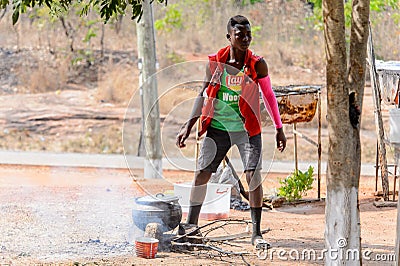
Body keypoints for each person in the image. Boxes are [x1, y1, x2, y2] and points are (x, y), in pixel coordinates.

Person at [176, 15, 286, 245]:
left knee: (252, 176)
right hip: (217, 127)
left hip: (247, 129)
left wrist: (278, 127)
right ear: (229, 37)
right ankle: (191, 226)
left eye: (248, 34)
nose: (246, 39)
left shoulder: (257, 64)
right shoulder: (215, 63)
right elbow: (203, 93)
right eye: (240, 35)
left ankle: (256, 234)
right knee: (202, 174)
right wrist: (189, 124)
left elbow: (269, 96)